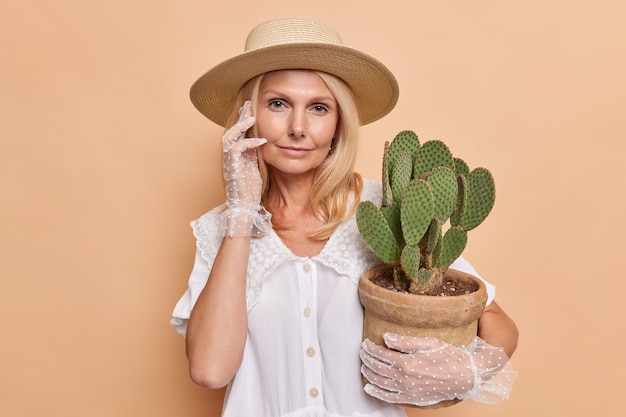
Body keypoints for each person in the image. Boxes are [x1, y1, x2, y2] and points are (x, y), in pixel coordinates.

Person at [171, 16, 518, 417]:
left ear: (338, 124)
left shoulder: (386, 209)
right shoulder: (221, 228)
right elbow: (211, 370)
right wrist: (242, 211)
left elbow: (493, 317)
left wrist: (471, 368)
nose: (298, 127)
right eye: (278, 104)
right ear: (248, 117)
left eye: (319, 108)